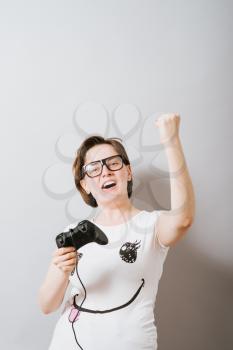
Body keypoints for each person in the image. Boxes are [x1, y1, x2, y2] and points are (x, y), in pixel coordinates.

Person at [38, 113, 195, 350]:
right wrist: (61, 270)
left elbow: (183, 219)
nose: (105, 171)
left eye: (113, 163)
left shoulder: (152, 225)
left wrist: (171, 140)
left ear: (128, 172)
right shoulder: (73, 233)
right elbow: (47, 305)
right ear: (85, 184)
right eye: (93, 168)